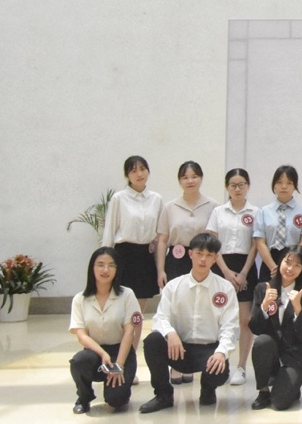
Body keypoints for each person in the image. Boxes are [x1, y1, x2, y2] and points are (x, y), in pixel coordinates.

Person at [138, 233, 238, 413]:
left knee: (219, 368)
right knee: (153, 341)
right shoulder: (174, 286)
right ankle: (163, 395)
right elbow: (160, 318)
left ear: (215, 258)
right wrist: (170, 333)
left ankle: (208, 389)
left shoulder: (225, 288)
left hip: (209, 350)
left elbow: (230, 327)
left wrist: (221, 352)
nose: (203, 259)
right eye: (199, 253)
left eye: (209, 255)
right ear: (190, 254)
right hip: (179, 349)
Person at [69, 247, 141, 414]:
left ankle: (120, 390)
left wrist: (119, 365)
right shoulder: (80, 299)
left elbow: (129, 333)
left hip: (121, 352)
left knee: (117, 401)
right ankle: (84, 398)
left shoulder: (127, 295)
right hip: (94, 353)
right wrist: (102, 353)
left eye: (111, 265)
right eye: (100, 265)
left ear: (117, 269)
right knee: (79, 361)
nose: (105, 270)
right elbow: (81, 335)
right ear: (92, 268)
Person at [101, 155, 161, 354]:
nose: (139, 174)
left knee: (138, 313)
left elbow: (159, 234)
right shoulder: (119, 198)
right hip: (124, 256)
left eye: (142, 169)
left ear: (148, 171)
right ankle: (115, 352)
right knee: (120, 309)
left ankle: (131, 357)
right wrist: (105, 262)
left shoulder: (156, 199)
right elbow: (109, 231)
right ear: (127, 175)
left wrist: (159, 264)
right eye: (133, 170)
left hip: (145, 257)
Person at [204, 168, 259, 386]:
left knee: (245, 320)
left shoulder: (256, 212)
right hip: (221, 267)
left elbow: (255, 245)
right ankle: (219, 363)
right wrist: (226, 272)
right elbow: (213, 245)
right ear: (227, 187)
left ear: (248, 186)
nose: (237, 189)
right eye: (233, 185)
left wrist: (243, 272)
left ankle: (241, 367)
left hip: (246, 267)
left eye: (241, 184)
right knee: (219, 318)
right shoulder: (218, 212)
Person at [248, 245, 302, 411]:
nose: (290, 269)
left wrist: (298, 309)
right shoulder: (263, 288)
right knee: (262, 342)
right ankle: (263, 391)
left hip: (295, 354)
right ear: (280, 262)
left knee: (279, 403)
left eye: (297, 265)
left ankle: (291, 387)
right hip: (272, 350)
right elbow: (255, 328)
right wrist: (264, 306)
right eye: (288, 262)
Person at [156, 161, 218, 288]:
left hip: (204, 259)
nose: (190, 181)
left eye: (194, 176)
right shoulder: (169, 207)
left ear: (201, 178)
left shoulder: (213, 206)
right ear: (179, 181)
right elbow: (162, 240)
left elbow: (217, 239)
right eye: (185, 178)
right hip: (177, 260)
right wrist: (160, 270)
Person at [254, 165, 302, 280]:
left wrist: (290, 265)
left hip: (294, 262)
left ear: (295, 186)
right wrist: (274, 268)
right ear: (274, 185)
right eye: (279, 182)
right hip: (270, 263)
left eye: (289, 183)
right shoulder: (263, 212)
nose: (284, 187)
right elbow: (260, 243)